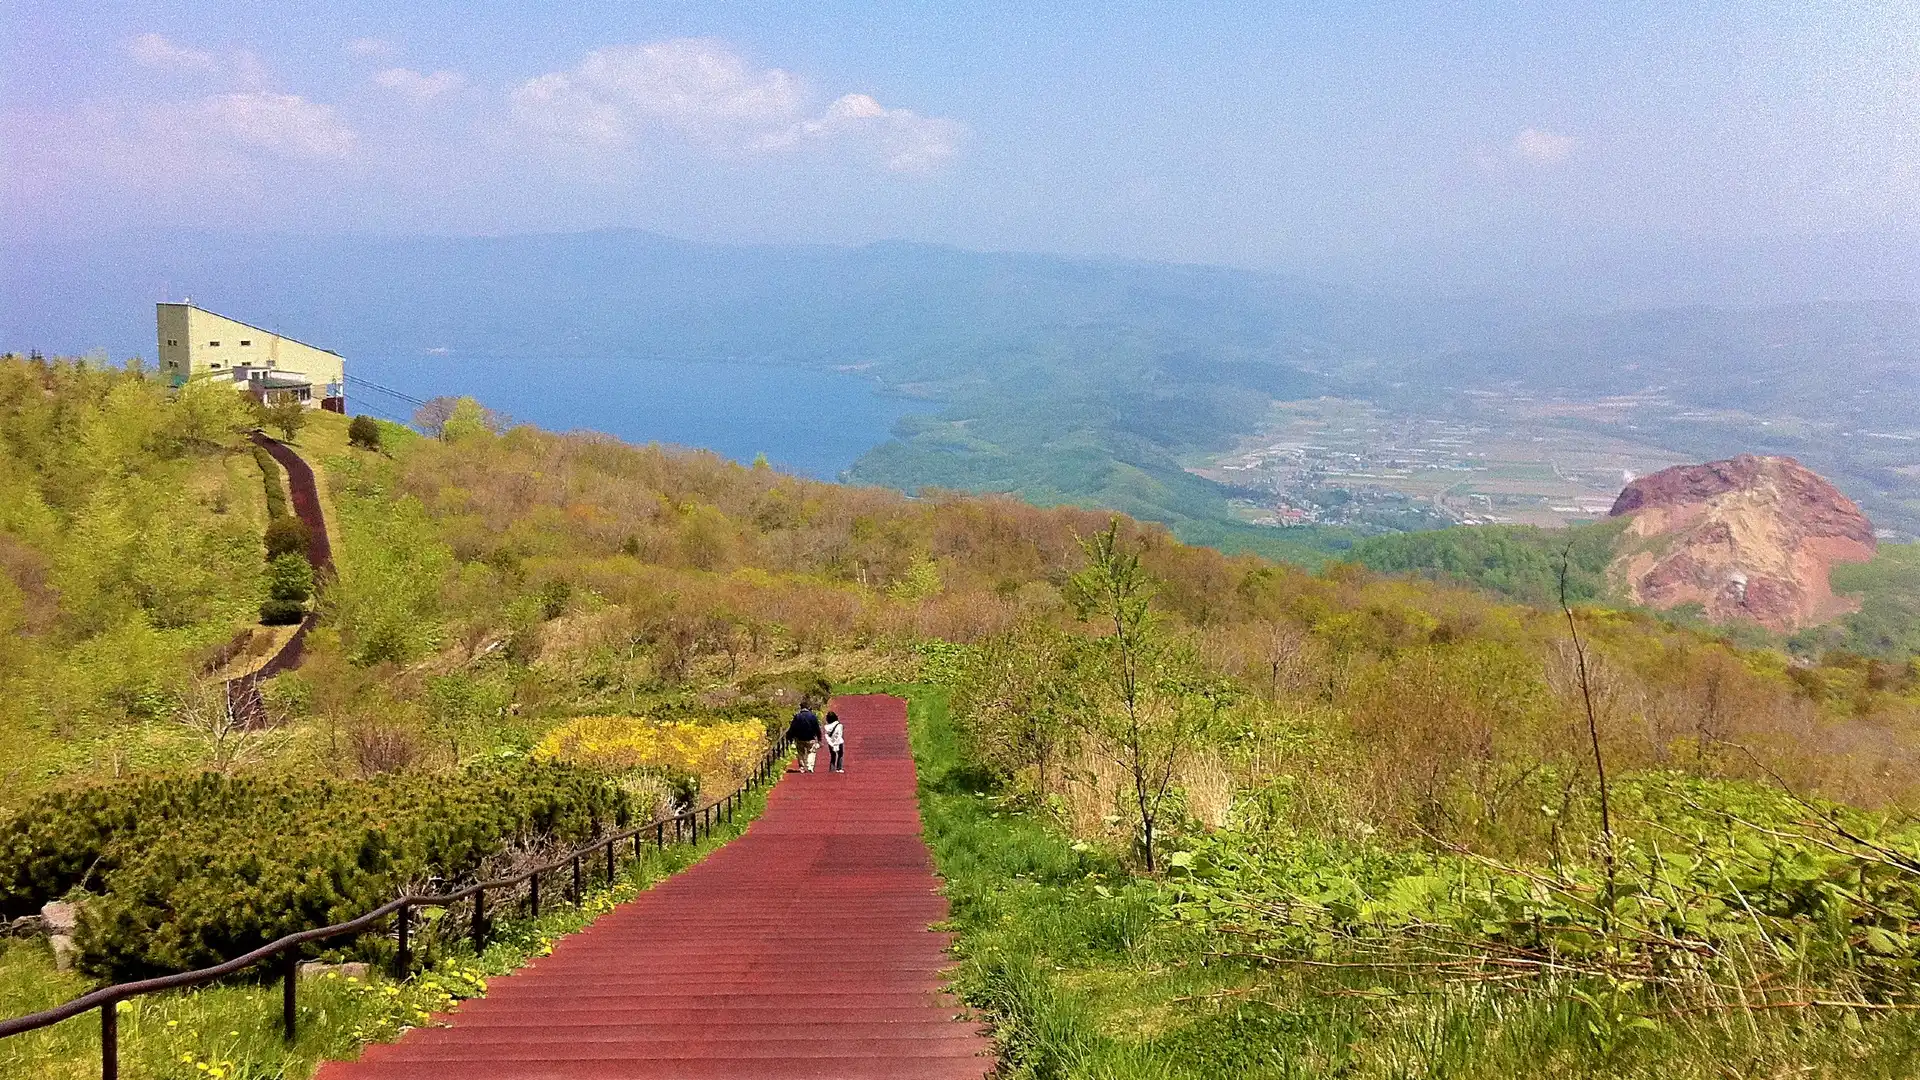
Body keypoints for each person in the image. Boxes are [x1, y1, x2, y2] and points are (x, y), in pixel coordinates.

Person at [787, 702, 822, 773]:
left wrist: (790, 737)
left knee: (800, 753)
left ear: (801, 707)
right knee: (811, 752)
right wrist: (819, 738)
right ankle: (810, 766)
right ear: (808, 707)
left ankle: (802, 767)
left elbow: (792, 728)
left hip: (799, 738)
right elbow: (817, 728)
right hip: (811, 737)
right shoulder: (813, 716)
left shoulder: (797, 716)